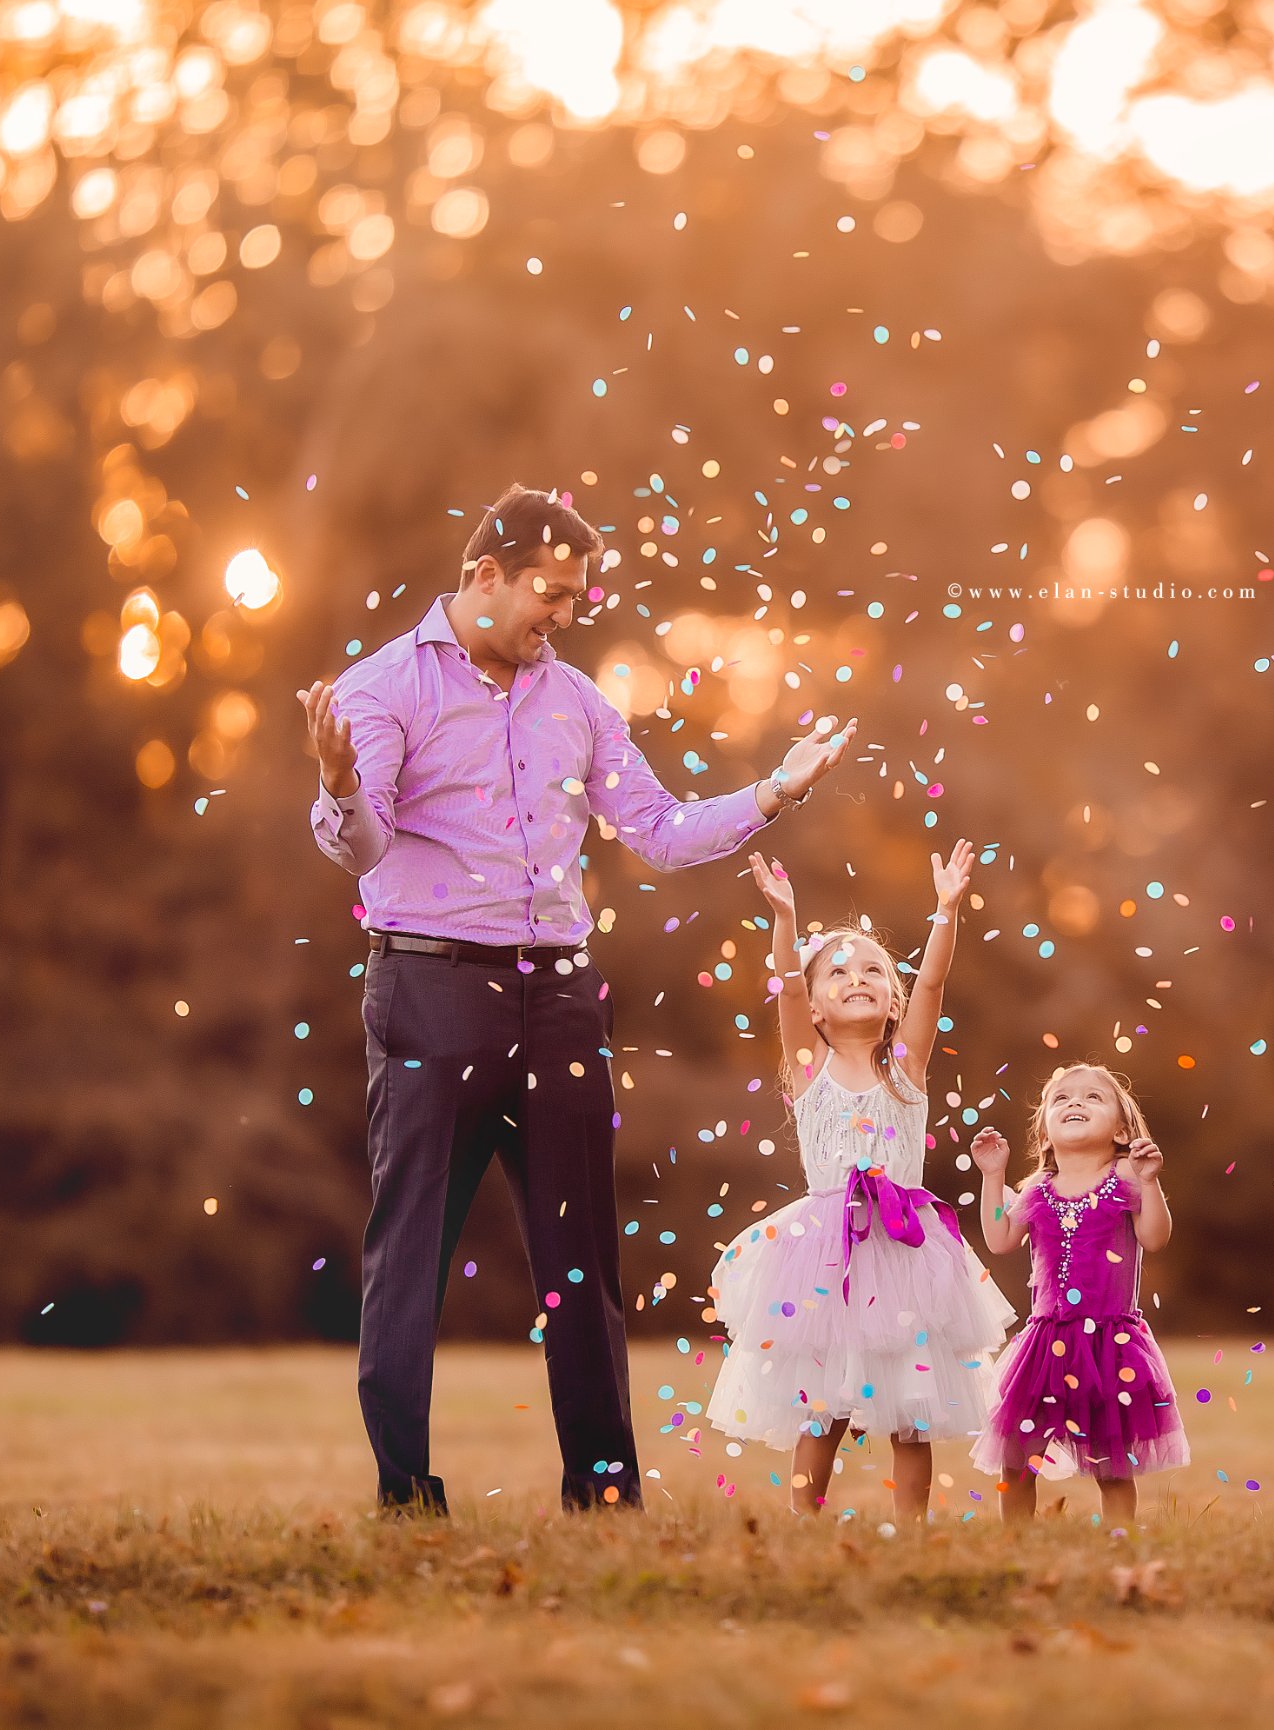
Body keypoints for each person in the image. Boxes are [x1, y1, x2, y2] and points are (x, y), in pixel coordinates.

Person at [296, 481, 857, 1516]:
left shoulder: (578, 700)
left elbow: (657, 828)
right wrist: (336, 789)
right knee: (411, 1246)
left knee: (582, 1260)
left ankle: (604, 1493)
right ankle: (406, 1494)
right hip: (429, 987)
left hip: (558, 997)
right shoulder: (384, 689)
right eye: (548, 593)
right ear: (485, 576)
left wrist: (777, 789)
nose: (561, 615)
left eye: (575, 598)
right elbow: (363, 848)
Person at [702, 842, 1014, 1525]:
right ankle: (802, 1523)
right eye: (838, 973)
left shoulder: (906, 1067)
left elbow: (932, 984)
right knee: (821, 1407)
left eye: (873, 970)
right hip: (823, 1256)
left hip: (904, 1251)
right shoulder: (808, 1068)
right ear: (814, 1008)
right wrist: (785, 917)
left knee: (912, 1409)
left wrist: (946, 909)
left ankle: (912, 1530)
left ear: (893, 1000)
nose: (857, 978)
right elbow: (784, 982)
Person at [968, 1063, 1185, 1528]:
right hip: (1045, 1344)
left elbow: (1155, 1238)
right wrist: (993, 1174)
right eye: (1062, 1098)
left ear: (1122, 1128)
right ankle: (1016, 1536)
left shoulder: (1127, 1176)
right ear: (1045, 1131)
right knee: (1018, 1452)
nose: (1075, 1104)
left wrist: (1151, 1182)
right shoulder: (1035, 1190)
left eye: (1092, 1098)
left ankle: (1120, 1531)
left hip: (1111, 1344)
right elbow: (1000, 1239)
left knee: (1112, 1457)